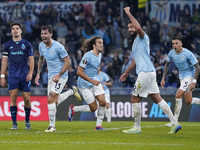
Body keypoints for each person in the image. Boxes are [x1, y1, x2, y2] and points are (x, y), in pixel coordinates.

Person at [119, 7, 181, 134]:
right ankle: (175, 123)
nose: (130, 29)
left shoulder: (142, 37)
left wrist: (129, 13)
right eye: (129, 27)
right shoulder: (135, 43)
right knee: (156, 98)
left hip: (145, 73)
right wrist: (126, 73)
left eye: (132, 27)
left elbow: (138, 28)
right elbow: (135, 61)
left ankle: (137, 127)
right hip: (150, 73)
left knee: (134, 99)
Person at [35, 25, 81, 132]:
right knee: (53, 103)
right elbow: (41, 60)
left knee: (50, 99)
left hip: (61, 76)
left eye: (46, 33)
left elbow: (68, 62)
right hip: (52, 76)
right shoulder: (41, 46)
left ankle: (52, 126)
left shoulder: (58, 47)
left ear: (51, 34)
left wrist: (59, 75)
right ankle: (71, 92)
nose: (43, 36)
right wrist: (38, 73)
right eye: (42, 34)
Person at [68, 36, 106, 130]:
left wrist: (98, 82)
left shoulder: (100, 55)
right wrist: (92, 80)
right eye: (99, 43)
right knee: (93, 108)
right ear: (94, 45)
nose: (102, 44)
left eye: (102, 42)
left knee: (103, 102)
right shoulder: (87, 56)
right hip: (84, 85)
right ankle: (74, 109)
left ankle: (98, 125)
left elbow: (95, 69)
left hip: (94, 82)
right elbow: (79, 72)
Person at [0, 22, 34, 130]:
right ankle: (14, 123)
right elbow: (4, 61)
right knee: (13, 97)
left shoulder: (27, 44)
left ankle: (27, 121)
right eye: (13, 29)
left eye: (17, 28)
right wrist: (2, 76)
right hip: (13, 75)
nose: (15, 30)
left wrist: (31, 72)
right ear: (11, 32)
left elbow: (31, 59)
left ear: (21, 31)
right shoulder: (7, 45)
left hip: (24, 75)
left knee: (27, 99)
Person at [161, 37, 200, 127]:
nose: (175, 45)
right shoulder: (171, 53)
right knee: (188, 101)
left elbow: (198, 67)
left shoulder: (187, 54)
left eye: (176, 43)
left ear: (181, 44)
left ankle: (174, 122)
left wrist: (194, 81)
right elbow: (167, 65)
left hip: (189, 76)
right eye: (173, 44)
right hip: (182, 77)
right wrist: (163, 78)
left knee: (178, 95)